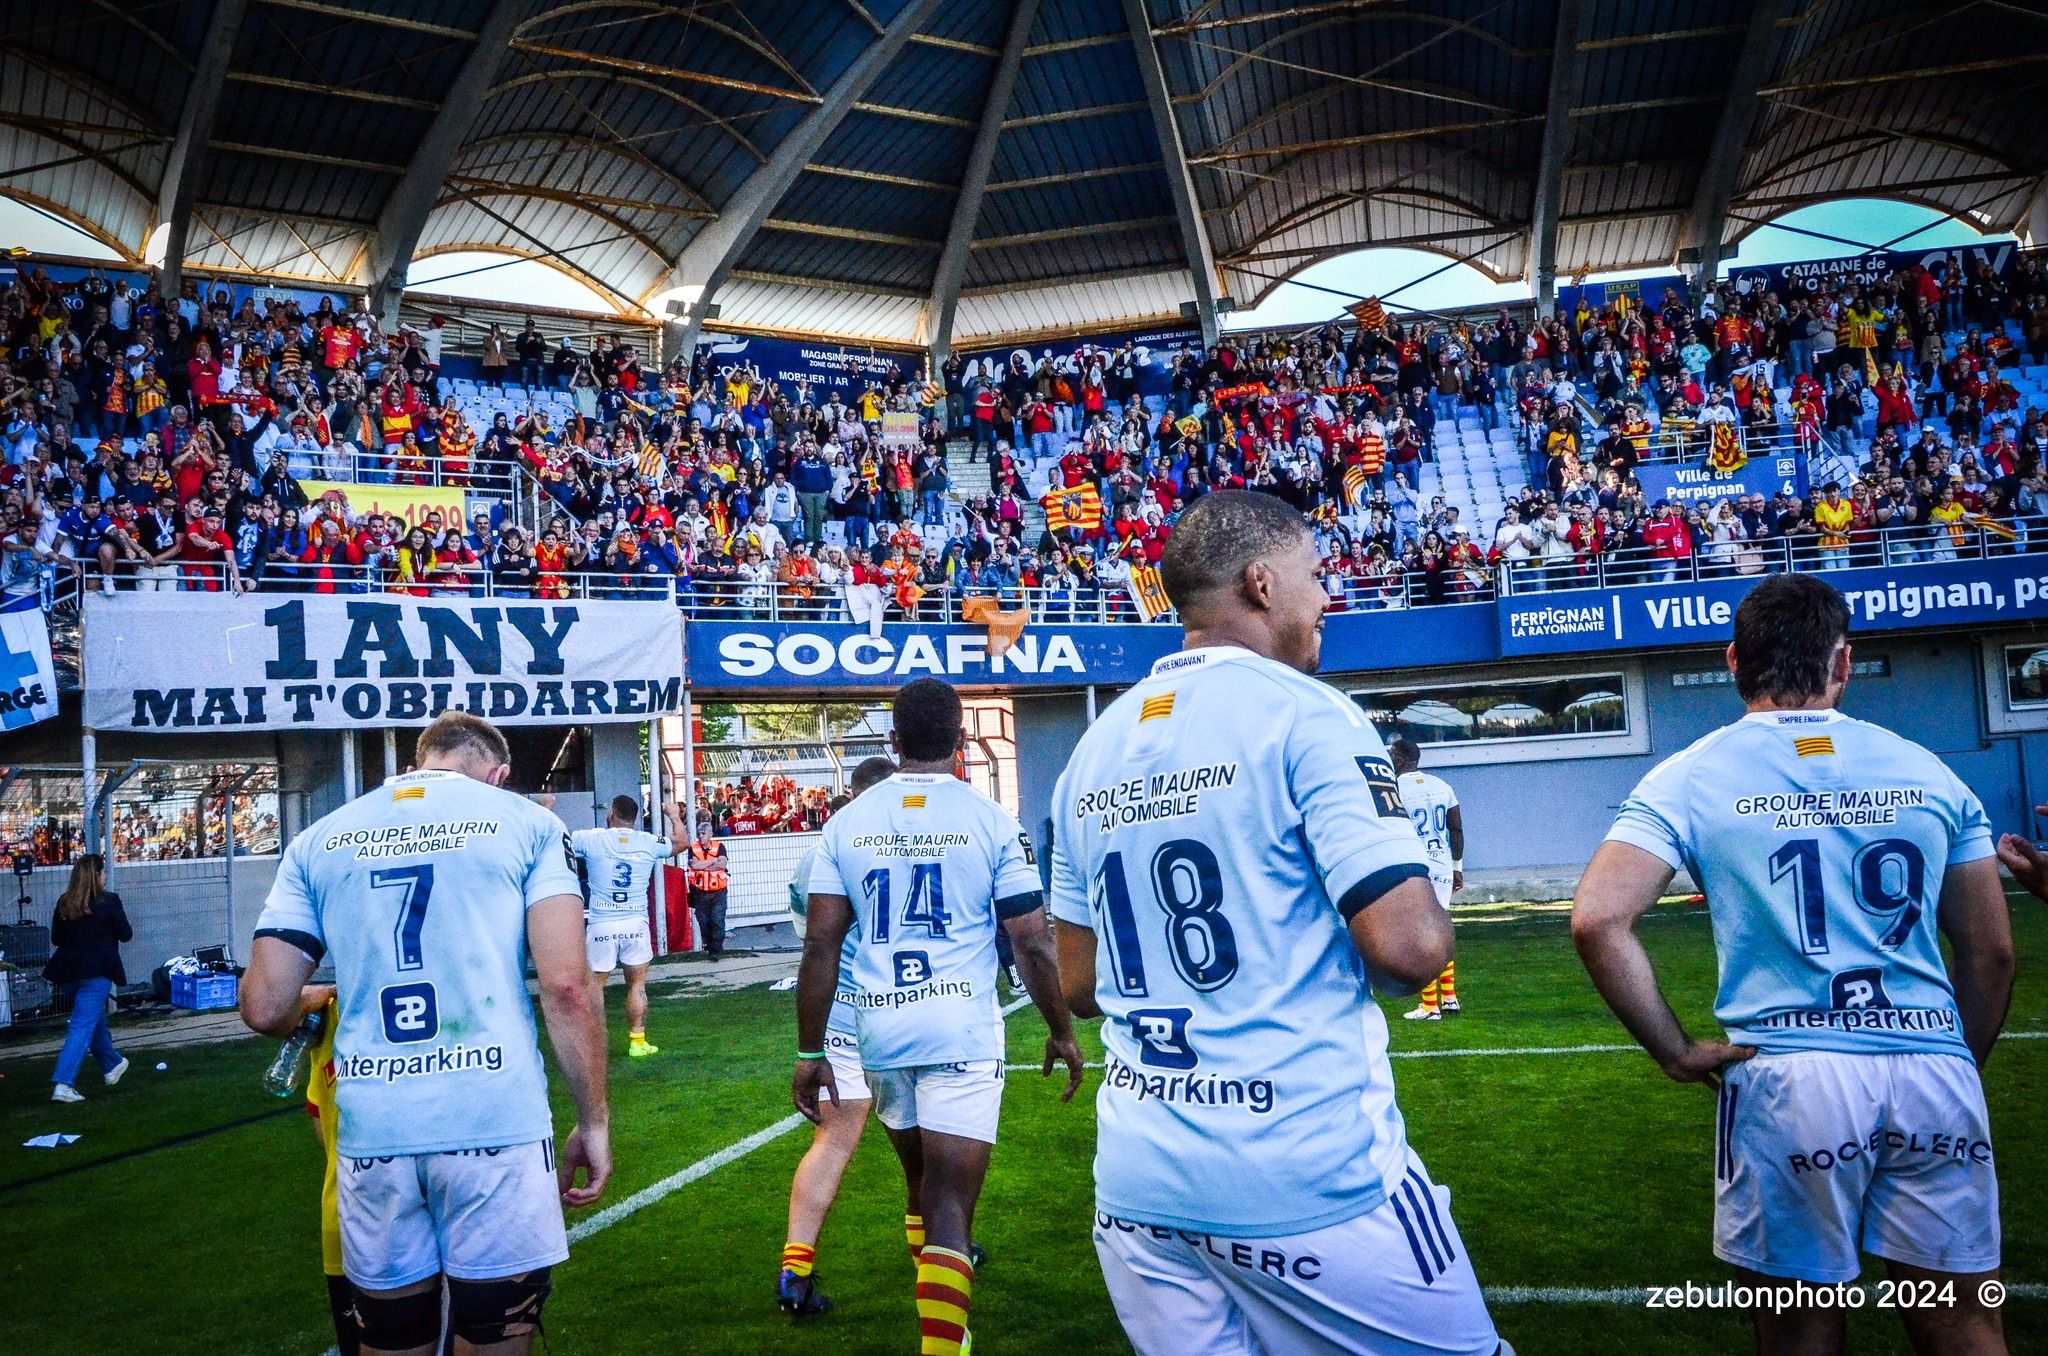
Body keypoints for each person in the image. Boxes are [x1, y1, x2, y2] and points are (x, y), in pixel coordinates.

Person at [1046, 490, 1504, 1356]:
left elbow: (1079, 985)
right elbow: (1412, 949)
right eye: (1316, 576)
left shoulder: (1091, 750)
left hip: (1143, 1185)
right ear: (1262, 582)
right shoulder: (1308, 714)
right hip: (1307, 1170)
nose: (1326, 598)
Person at [1572, 573, 2015, 1356]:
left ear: (1736, 660)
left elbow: (1600, 919)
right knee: (1966, 1324)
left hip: (1791, 1074)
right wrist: (1949, 1060)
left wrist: (1675, 1051)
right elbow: (1991, 952)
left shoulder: (1689, 773)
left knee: (1801, 1331)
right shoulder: (1930, 769)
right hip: (1932, 1067)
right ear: (1843, 665)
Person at [240, 712, 612, 1356]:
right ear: (498, 774)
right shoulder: (528, 824)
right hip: (494, 1119)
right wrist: (594, 1120)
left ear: (419, 763)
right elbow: (567, 986)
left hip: (374, 1126)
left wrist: (322, 997)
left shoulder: (320, 838)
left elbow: (264, 1006)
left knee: (394, 1341)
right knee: (493, 1334)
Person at [794, 678, 1085, 1356]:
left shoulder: (847, 822)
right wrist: (1062, 1029)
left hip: (880, 1032)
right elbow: (1032, 940)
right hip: (958, 1028)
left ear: (893, 742)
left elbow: (819, 945)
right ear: (960, 742)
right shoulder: (990, 818)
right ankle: (942, 1345)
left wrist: (810, 1050)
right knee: (951, 1202)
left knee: (921, 1182)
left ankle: (937, 1314)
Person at [777, 755, 895, 1317]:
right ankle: (941, 1248)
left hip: (841, 1015)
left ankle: (795, 1271)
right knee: (924, 1139)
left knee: (833, 1141)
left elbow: (810, 934)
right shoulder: (912, 837)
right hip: (904, 1011)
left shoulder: (820, 849)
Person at [570, 794, 686, 1059]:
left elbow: (557, 838)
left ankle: (592, 1046)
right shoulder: (648, 842)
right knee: (637, 985)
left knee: (595, 987)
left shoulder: (593, 838)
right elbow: (682, 843)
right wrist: (674, 815)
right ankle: (637, 1041)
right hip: (635, 922)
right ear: (634, 819)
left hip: (602, 923)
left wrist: (547, 810)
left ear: (611, 813)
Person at [44, 853, 130, 1103]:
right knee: (82, 1026)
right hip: (97, 972)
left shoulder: (65, 902)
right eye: (103, 872)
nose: (105, 877)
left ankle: (112, 1065)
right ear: (97, 874)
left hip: (68, 973)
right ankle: (64, 1083)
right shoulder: (110, 901)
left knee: (92, 1021)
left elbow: (57, 939)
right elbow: (125, 934)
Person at [1391, 736, 1465, 1021]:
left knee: (1421, 933)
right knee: (1440, 928)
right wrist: (1457, 866)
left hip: (1414, 866)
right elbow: (1456, 829)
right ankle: (1449, 998)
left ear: (1399, 759)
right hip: (1442, 863)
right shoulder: (1441, 785)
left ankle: (1430, 1006)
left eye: (1391, 755)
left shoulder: (1393, 790)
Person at [685, 827, 731, 960]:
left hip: (718, 891)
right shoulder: (693, 849)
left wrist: (703, 865)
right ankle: (709, 945)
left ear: (710, 834)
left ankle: (715, 950)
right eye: (699, 834)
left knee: (717, 919)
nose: (701, 836)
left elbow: (722, 865)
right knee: (703, 921)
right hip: (700, 892)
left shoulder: (719, 847)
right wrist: (712, 861)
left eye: (703, 834)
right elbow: (694, 866)